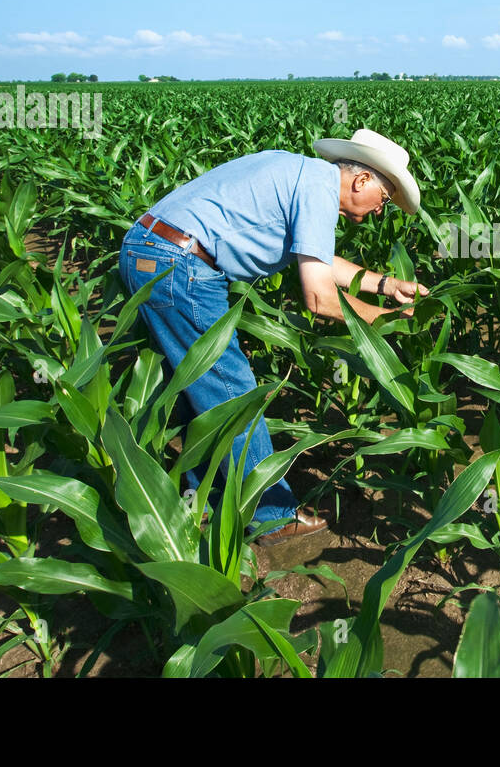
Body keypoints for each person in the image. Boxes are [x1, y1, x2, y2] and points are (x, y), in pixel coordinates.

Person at [118, 128, 428, 545]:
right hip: (182, 266)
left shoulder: (305, 175)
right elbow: (319, 297)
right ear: (362, 181)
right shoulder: (318, 188)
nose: (379, 212)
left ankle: (198, 501)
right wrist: (387, 322)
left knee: (202, 391)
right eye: (384, 201)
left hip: (151, 250)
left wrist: (386, 285)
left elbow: (317, 257)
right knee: (235, 394)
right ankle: (273, 518)